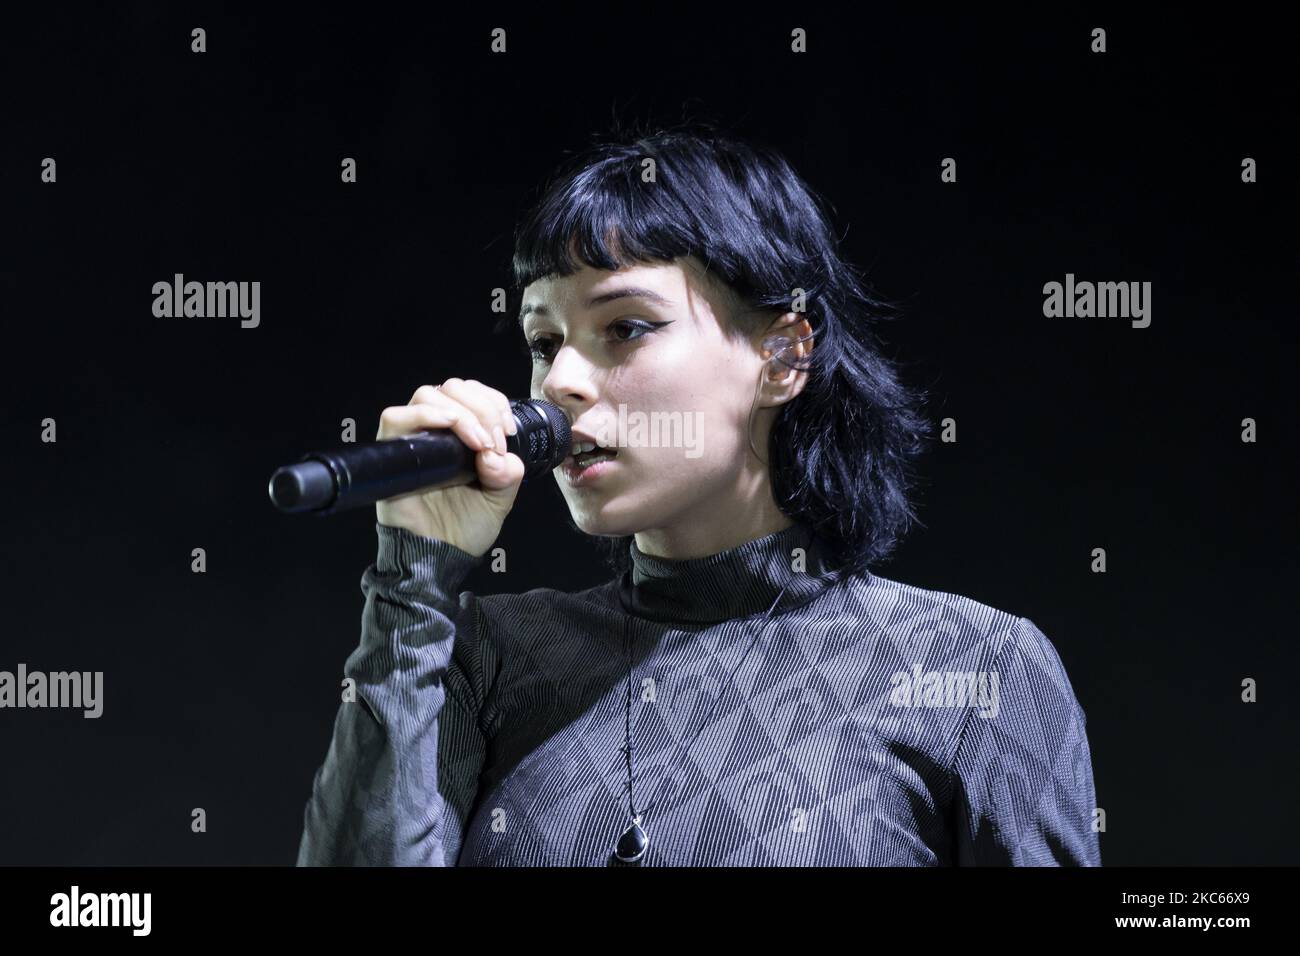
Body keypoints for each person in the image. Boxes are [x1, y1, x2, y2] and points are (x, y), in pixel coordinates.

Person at [295, 124, 1101, 867]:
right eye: (545, 341)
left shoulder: (972, 667)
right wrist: (413, 581)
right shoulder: (489, 657)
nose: (561, 381)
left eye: (626, 326)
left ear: (782, 355)